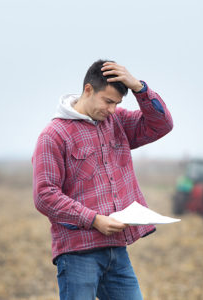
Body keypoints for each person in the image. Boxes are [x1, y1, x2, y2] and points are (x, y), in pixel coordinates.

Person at [32, 59, 173, 300]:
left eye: (117, 104)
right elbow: (45, 195)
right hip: (78, 253)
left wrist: (140, 88)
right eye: (108, 101)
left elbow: (161, 125)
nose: (111, 109)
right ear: (88, 90)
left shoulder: (117, 121)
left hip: (117, 250)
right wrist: (94, 220)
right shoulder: (53, 136)